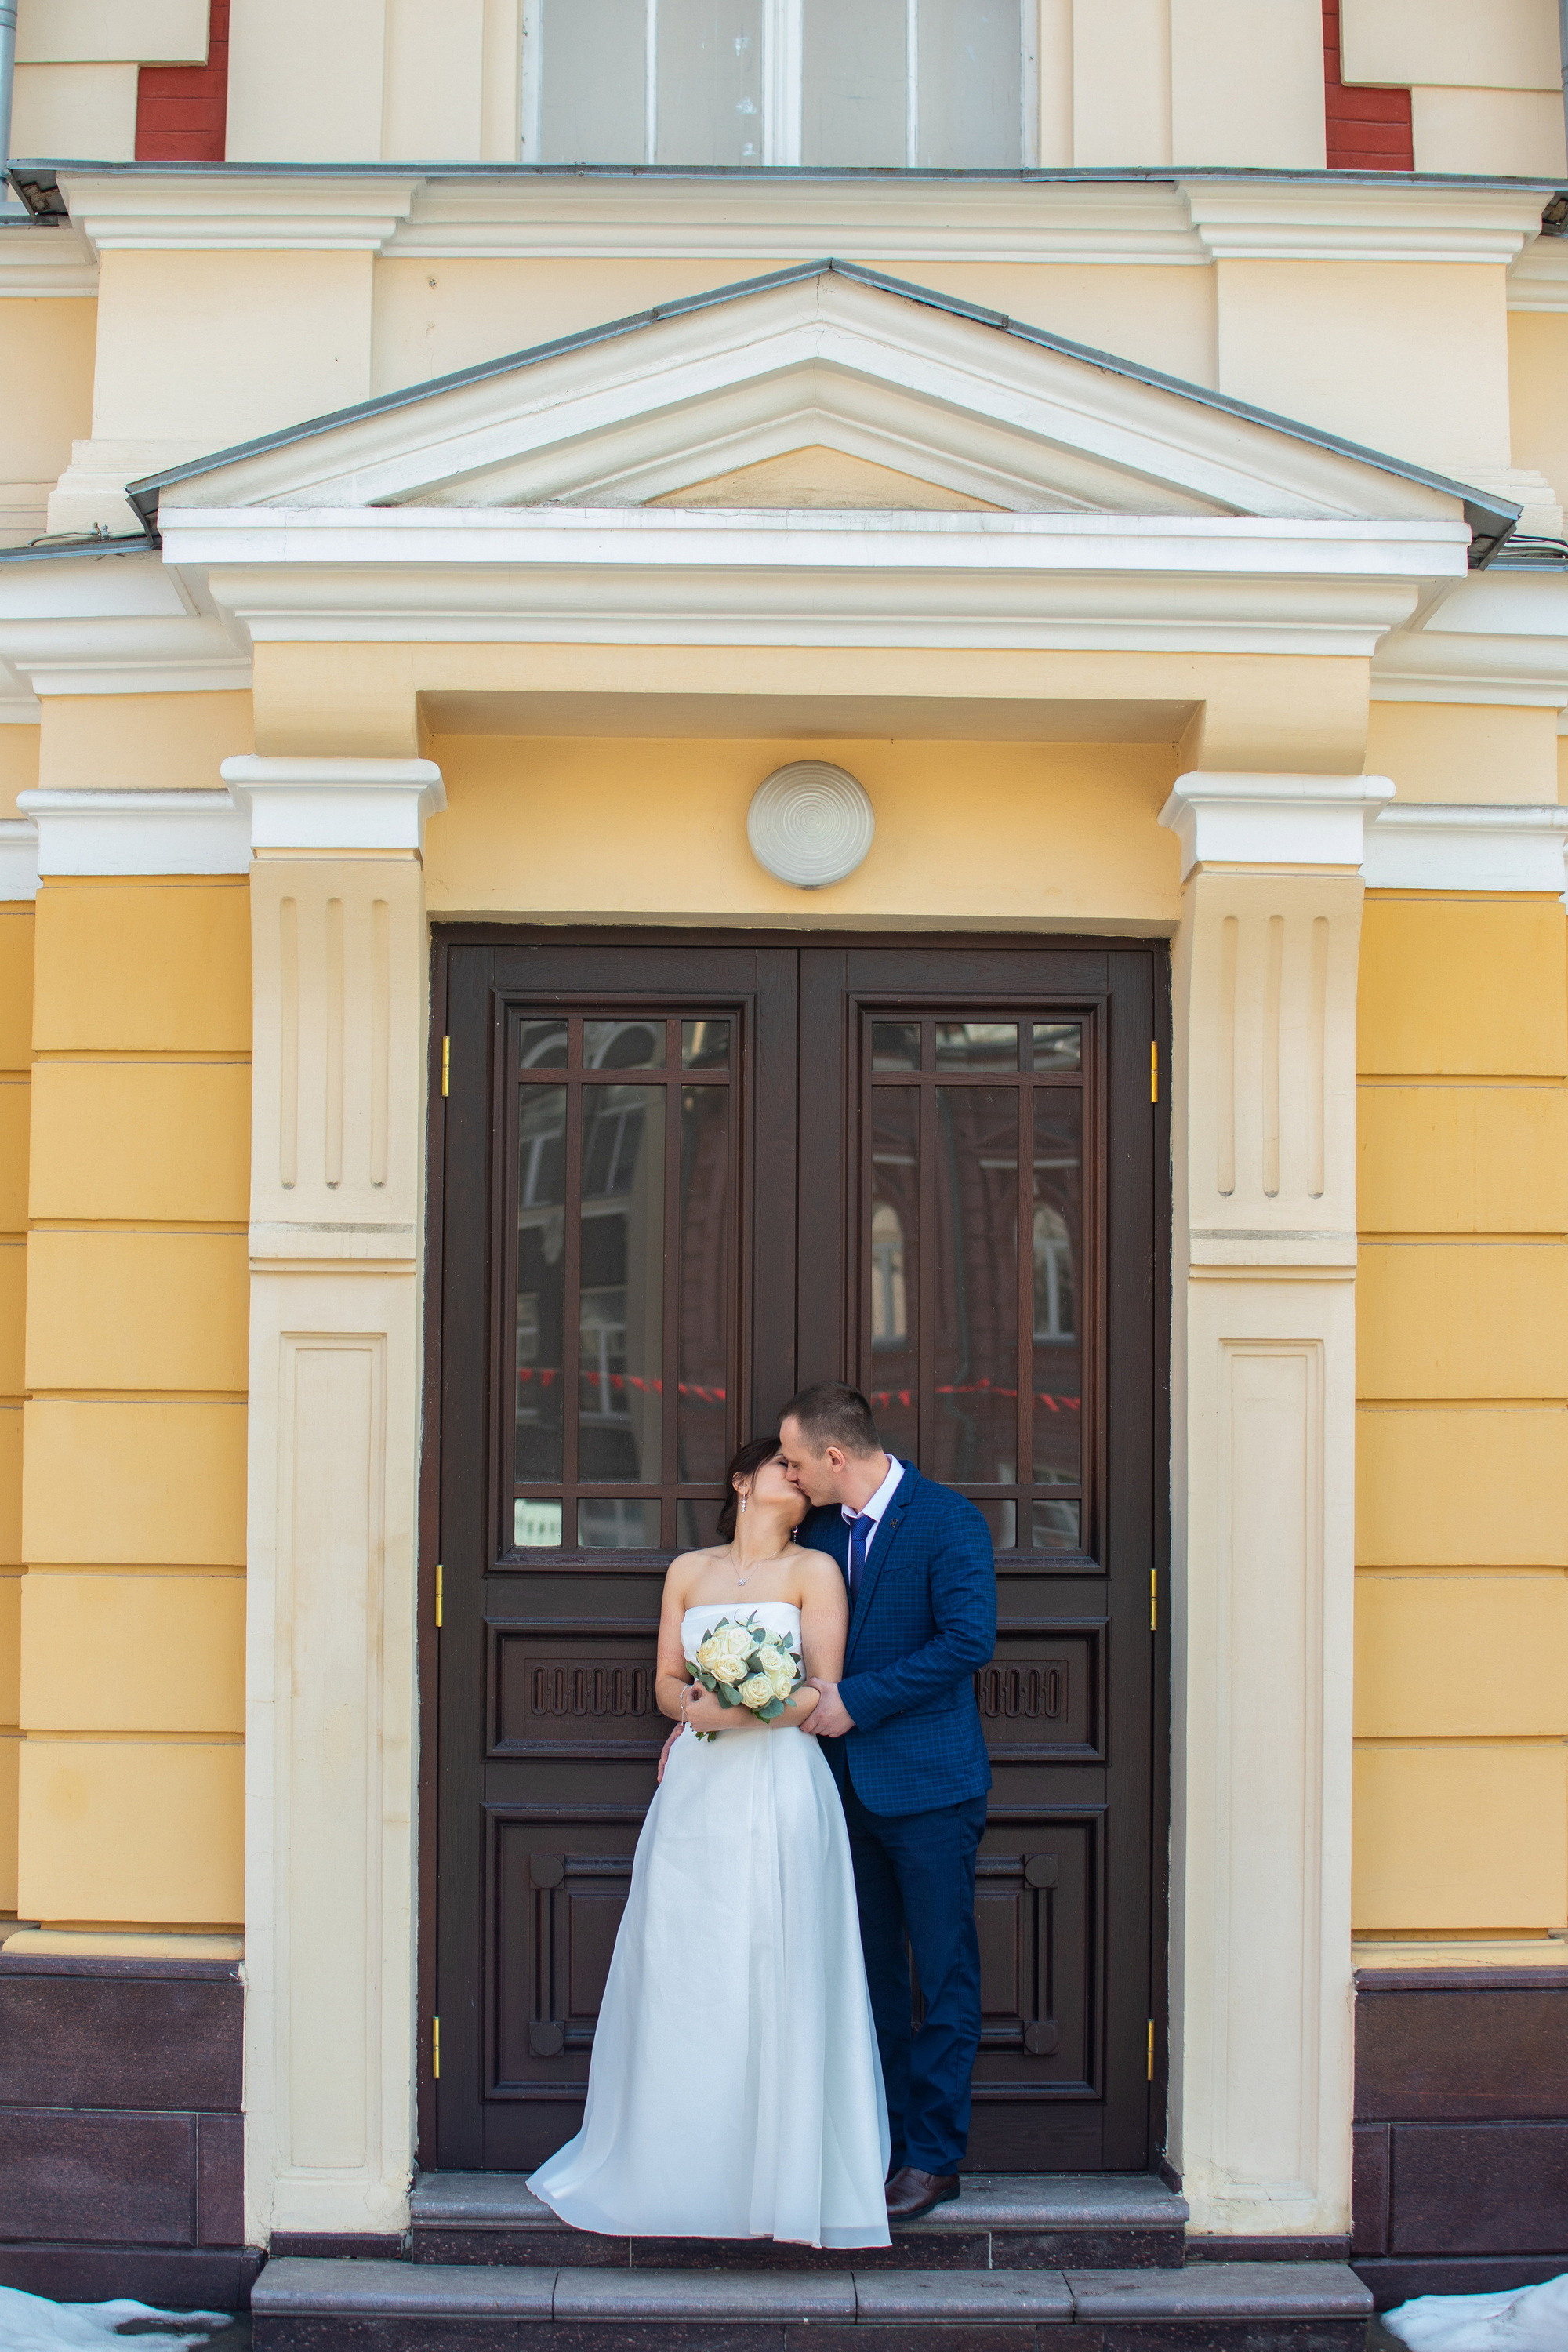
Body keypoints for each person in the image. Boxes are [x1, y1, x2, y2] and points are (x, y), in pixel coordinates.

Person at [526, 1436, 891, 2249]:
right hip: (697, 1786)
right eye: (781, 1465)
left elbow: (821, 1689)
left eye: (802, 1469)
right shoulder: (687, 1572)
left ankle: (780, 2178)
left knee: (776, 1954)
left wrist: (739, 1710)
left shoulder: (815, 1572)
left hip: (782, 1781)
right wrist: (691, 1708)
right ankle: (682, 2172)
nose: (797, 1476)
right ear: (741, 1481)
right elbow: (665, 1681)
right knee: (689, 1961)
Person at [780, 1382, 996, 2223]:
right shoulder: (817, 1535)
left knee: (941, 1976)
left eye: (796, 1462)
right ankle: (883, 2143)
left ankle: (934, 2159)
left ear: (835, 1456)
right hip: (841, 1793)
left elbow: (966, 1641)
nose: (790, 1476)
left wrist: (858, 1702)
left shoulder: (948, 1521)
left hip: (931, 1790)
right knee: (870, 1978)